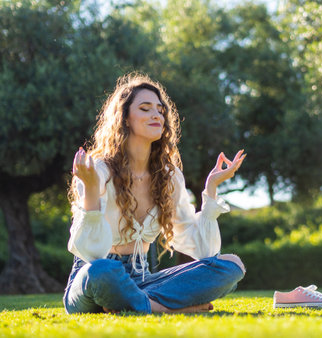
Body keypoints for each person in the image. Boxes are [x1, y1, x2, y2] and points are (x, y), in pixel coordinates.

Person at [63, 73, 247, 314]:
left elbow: (205, 251)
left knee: (231, 266)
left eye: (160, 110)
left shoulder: (169, 176)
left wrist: (210, 190)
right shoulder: (97, 170)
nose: (156, 115)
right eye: (145, 108)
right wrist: (88, 191)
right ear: (125, 118)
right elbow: (91, 253)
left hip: (143, 282)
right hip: (94, 281)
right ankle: (166, 309)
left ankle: (134, 304)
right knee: (102, 271)